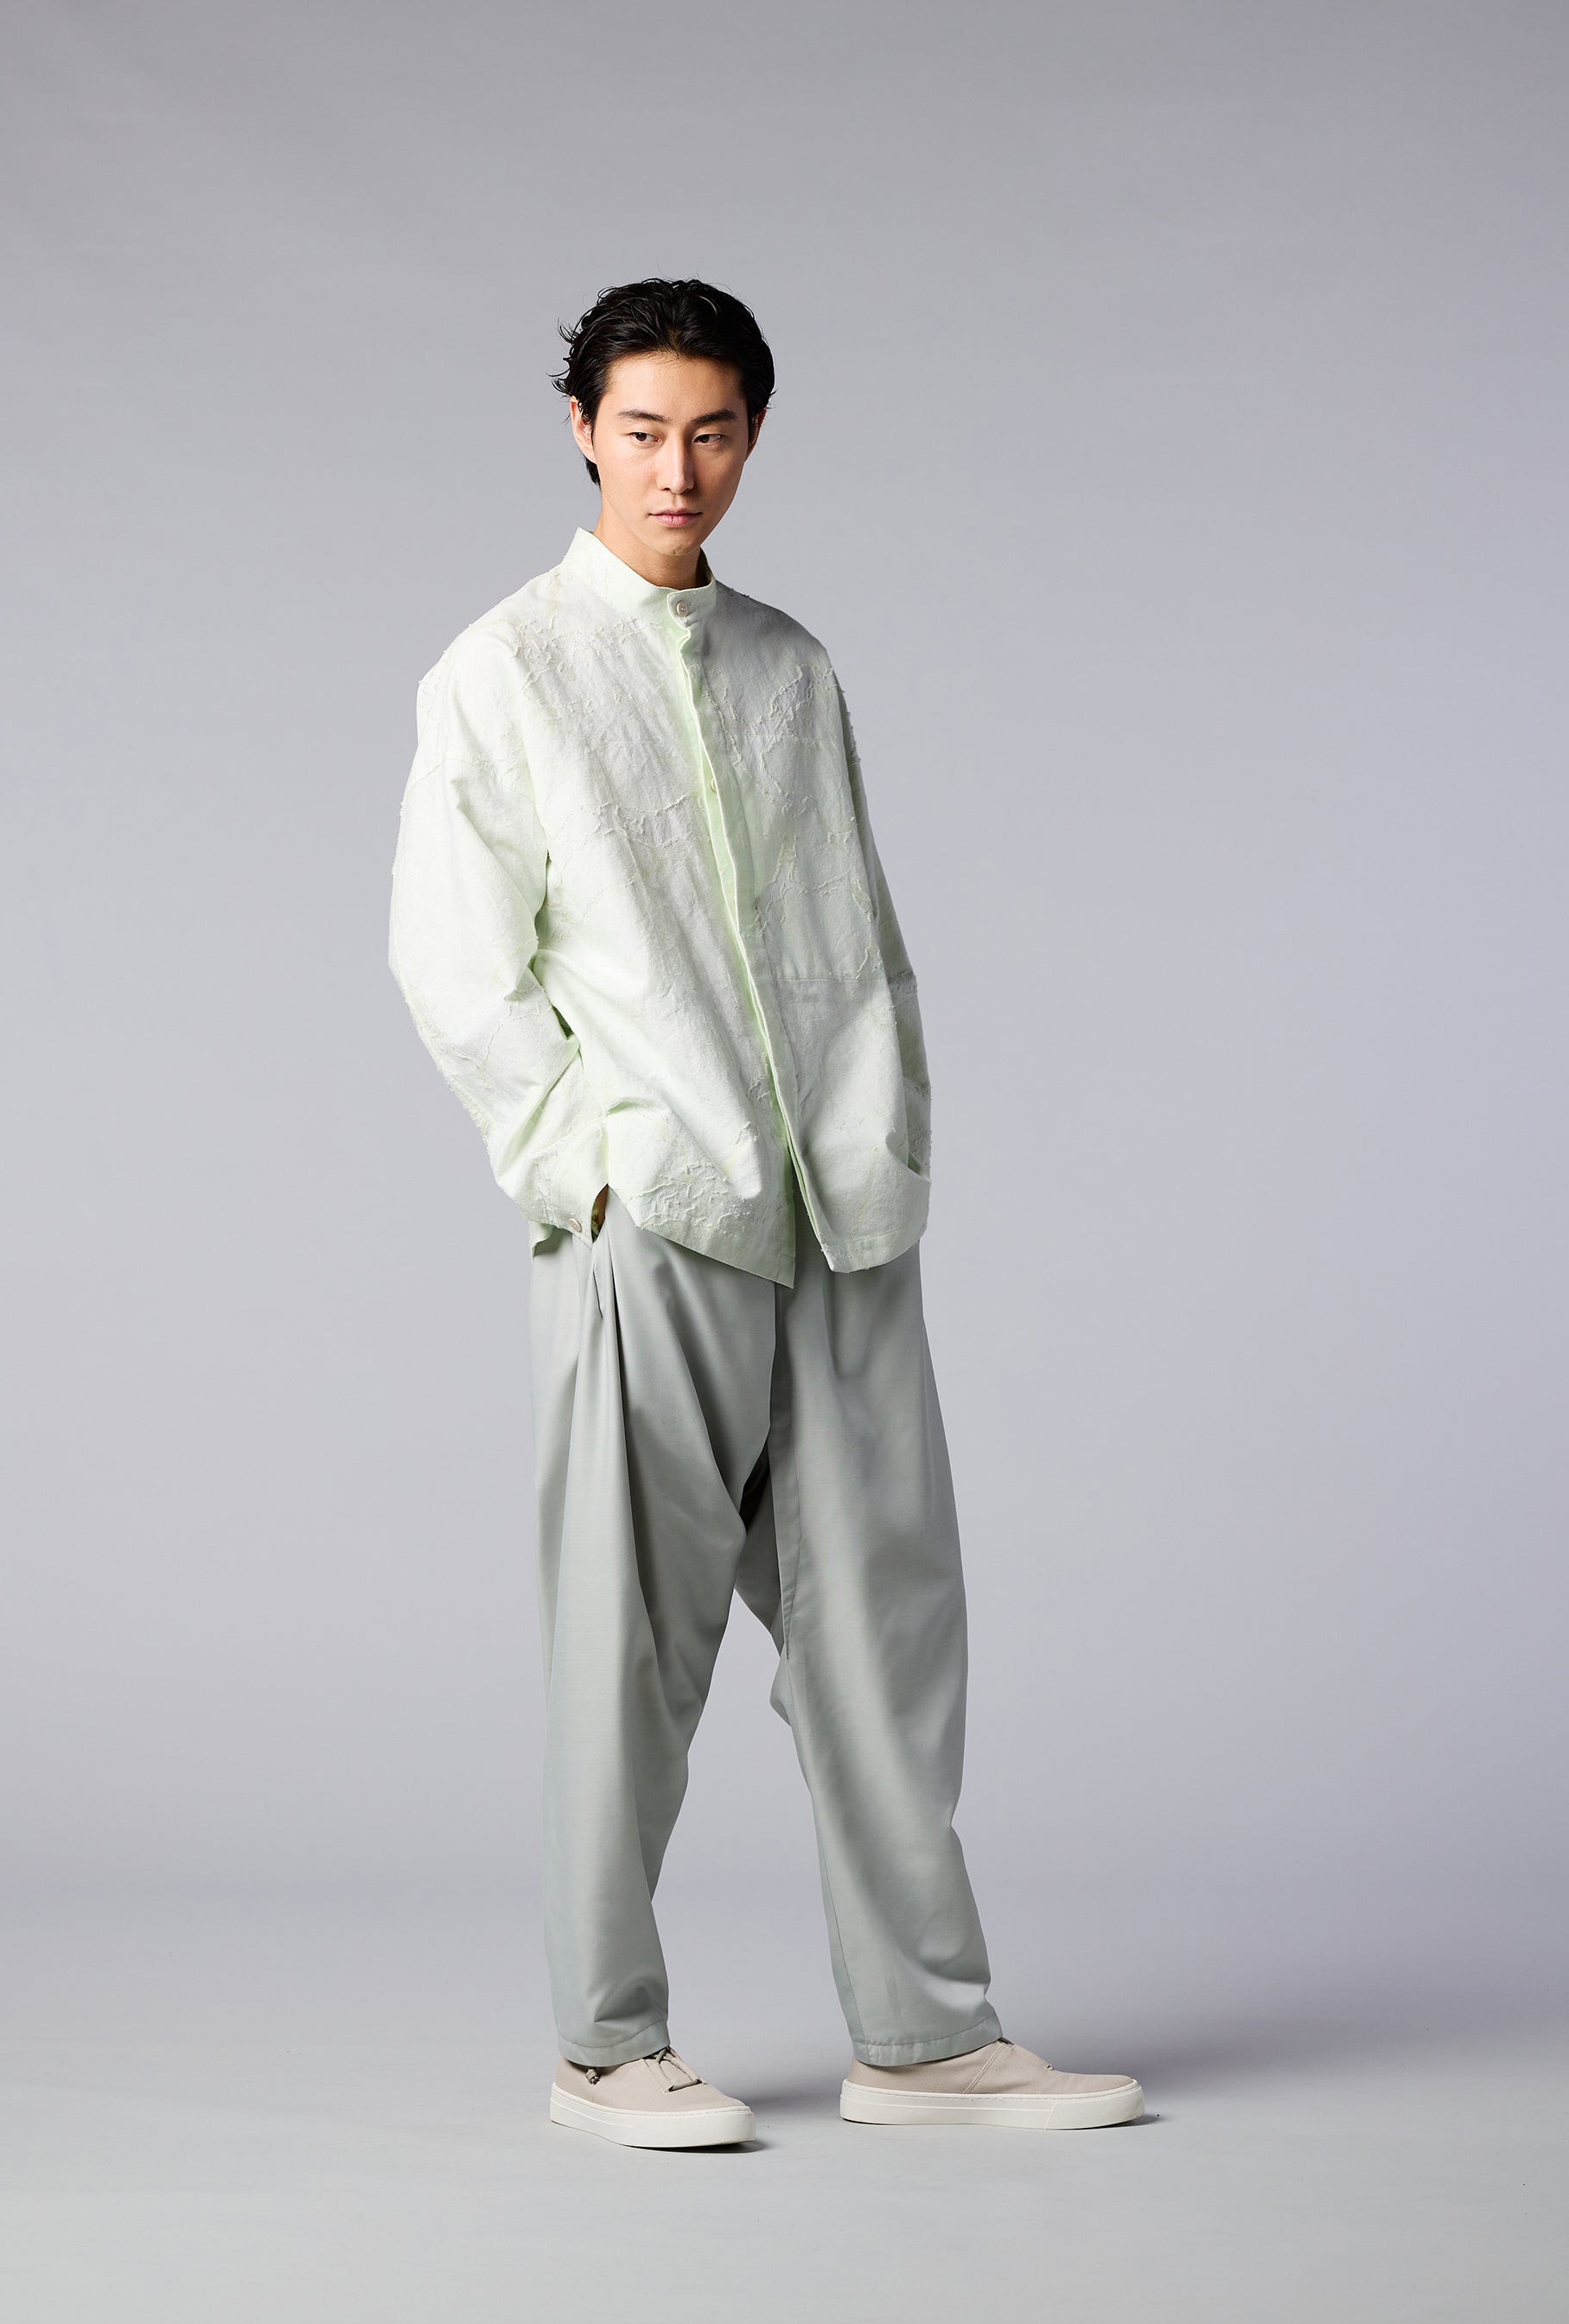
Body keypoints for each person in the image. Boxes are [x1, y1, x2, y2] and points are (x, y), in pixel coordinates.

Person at [388, 278, 1142, 2149]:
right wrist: (587, 1167)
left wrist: (892, 1136)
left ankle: (925, 2040)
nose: (678, 469)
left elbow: (858, 934)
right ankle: (605, 2047)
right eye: (644, 430)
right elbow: (456, 966)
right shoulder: (502, 669)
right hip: (656, 1219)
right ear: (582, 428)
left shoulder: (793, 667)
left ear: (752, 439)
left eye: (712, 432)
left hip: (840, 1212)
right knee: (628, 1653)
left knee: (887, 1632)